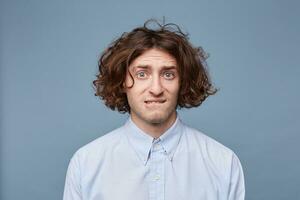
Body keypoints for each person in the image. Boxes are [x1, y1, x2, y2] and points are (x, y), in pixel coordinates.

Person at [63, 19, 245, 200]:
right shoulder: (86, 164)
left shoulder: (223, 163)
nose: (156, 89)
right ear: (122, 82)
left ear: (182, 82)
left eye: (168, 74)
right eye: (142, 74)